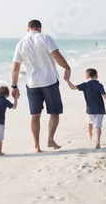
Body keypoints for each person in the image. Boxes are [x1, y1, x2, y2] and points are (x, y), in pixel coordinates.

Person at [11, 20, 71, 153]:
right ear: (40, 28)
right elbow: (58, 57)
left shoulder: (21, 43)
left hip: (32, 84)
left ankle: (36, 146)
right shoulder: (45, 38)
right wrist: (67, 67)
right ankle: (50, 139)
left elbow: (15, 68)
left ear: (28, 30)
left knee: (35, 116)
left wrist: (14, 86)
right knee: (54, 112)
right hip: (49, 81)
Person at [65, 68, 106, 149]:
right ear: (97, 77)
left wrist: (67, 80)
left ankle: (89, 132)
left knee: (90, 122)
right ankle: (98, 140)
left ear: (86, 77)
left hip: (90, 110)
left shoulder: (85, 85)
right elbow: (104, 95)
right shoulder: (99, 85)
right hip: (100, 109)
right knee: (98, 126)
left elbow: (72, 87)